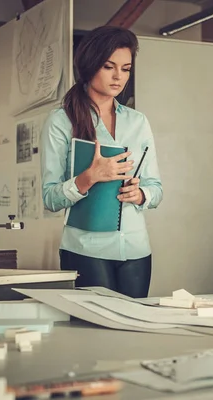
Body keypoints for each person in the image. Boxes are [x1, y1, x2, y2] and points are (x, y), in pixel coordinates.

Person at [40, 26, 162, 298]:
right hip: (85, 249)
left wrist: (141, 194)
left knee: (133, 332)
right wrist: (89, 177)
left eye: (126, 68)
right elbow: (49, 198)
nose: (119, 76)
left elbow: (156, 187)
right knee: (97, 337)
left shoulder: (138, 121)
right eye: (109, 66)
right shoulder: (60, 121)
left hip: (136, 249)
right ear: (90, 65)